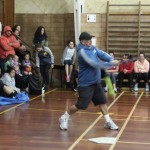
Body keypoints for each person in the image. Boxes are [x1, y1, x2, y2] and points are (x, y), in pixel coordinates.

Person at [59, 32, 119, 130]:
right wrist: (110, 64)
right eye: (88, 40)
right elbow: (93, 63)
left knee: (102, 102)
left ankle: (108, 122)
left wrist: (111, 59)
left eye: (91, 39)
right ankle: (64, 117)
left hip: (96, 82)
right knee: (80, 105)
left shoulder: (93, 48)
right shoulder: (81, 52)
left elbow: (102, 54)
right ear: (83, 41)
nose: (91, 41)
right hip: (86, 84)